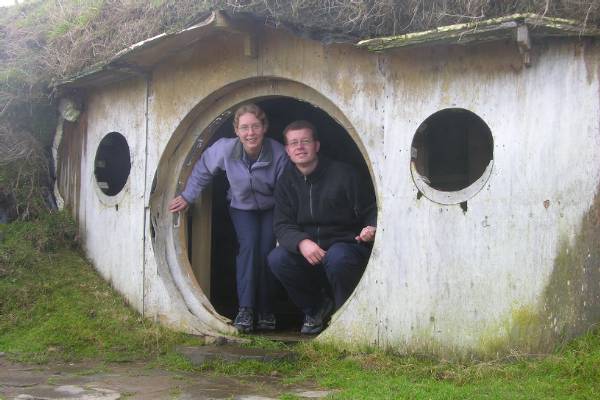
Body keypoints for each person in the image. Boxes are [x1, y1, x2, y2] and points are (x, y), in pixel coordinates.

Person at [169, 103, 288, 333]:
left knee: (266, 253)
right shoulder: (225, 150)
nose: (250, 133)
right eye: (244, 127)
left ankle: (266, 310)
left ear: (264, 128)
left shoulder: (278, 153)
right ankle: (246, 309)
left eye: (255, 126)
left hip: (272, 207)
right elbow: (203, 168)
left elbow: (286, 192)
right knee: (249, 248)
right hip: (241, 207)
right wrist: (188, 196)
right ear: (236, 130)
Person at [267, 120, 377, 334]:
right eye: (294, 143)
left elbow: (371, 207)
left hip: (344, 244)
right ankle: (316, 309)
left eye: (305, 141)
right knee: (277, 258)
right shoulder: (286, 181)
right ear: (288, 150)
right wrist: (302, 242)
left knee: (339, 258)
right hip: (308, 250)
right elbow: (282, 224)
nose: (300, 147)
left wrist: (371, 227)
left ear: (316, 145)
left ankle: (345, 317)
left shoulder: (344, 174)